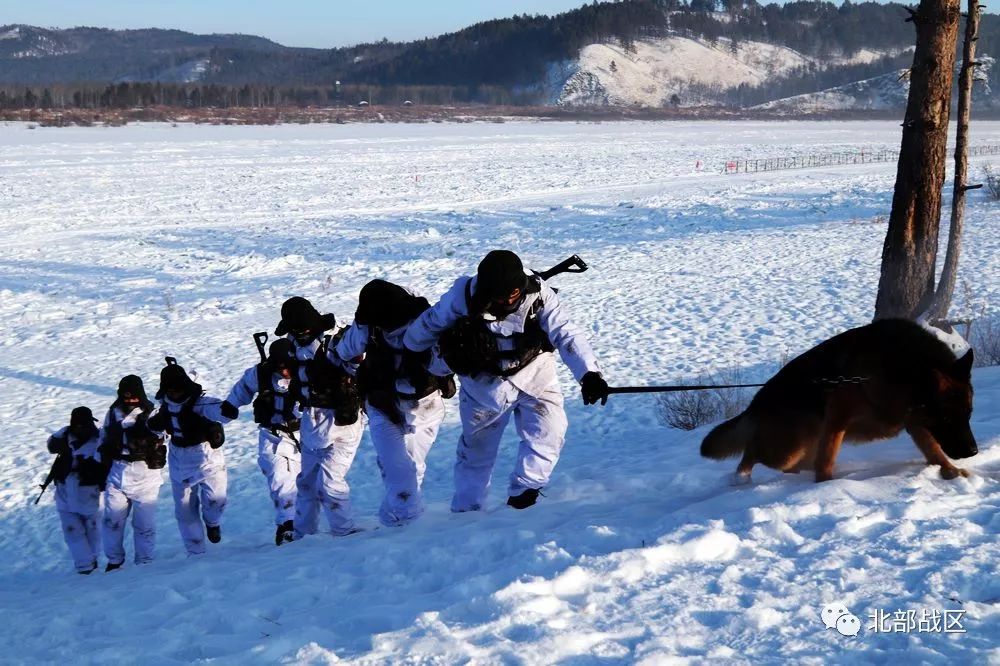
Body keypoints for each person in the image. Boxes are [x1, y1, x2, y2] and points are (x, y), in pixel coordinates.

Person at [403, 250, 609, 511]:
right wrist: (412, 354)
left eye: (514, 292)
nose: (511, 298)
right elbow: (426, 327)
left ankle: (525, 493)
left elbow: (565, 333)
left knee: (550, 431)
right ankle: (467, 510)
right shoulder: (461, 298)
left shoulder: (539, 294)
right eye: (503, 295)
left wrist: (589, 374)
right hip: (483, 387)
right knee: (476, 454)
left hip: (536, 375)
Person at [335, 280, 454, 528]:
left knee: (413, 469)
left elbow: (443, 365)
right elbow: (345, 350)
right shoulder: (368, 327)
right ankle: (411, 529)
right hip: (382, 406)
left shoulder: (426, 321)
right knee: (400, 472)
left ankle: (392, 523)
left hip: (424, 407)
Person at [275, 297, 364, 539]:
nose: (299, 334)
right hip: (311, 422)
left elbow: (359, 369)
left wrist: (354, 364)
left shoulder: (336, 341)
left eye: (303, 329)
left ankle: (345, 533)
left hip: (342, 422)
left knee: (330, 482)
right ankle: (304, 534)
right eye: (294, 330)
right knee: (306, 483)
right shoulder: (292, 345)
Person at [147, 357, 234, 556]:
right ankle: (195, 552)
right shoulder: (165, 407)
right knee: (185, 510)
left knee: (215, 500)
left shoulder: (201, 404)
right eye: (170, 390)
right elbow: (154, 426)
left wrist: (227, 411)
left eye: (177, 389)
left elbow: (220, 410)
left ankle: (213, 522)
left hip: (207, 457)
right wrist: (154, 431)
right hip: (179, 459)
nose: (174, 393)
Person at [220, 338, 303, 545]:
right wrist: (231, 405)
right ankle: (286, 526)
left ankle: (307, 525)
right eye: (280, 368)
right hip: (272, 436)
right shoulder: (260, 374)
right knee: (280, 482)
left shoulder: (306, 371)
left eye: (288, 367)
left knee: (310, 483)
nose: (285, 372)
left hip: (304, 435)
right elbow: (243, 388)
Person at [99, 375, 165, 571]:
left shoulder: (152, 413)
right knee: (112, 522)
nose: (130, 400)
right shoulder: (113, 412)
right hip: (117, 472)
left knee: (144, 525)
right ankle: (114, 561)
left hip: (145, 476)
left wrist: (147, 437)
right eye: (126, 397)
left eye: (134, 397)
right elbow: (103, 437)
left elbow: (164, 435)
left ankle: (144, 562)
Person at [47, 406, 108, 574]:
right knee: (72, 531)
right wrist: (63, 433)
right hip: (65, 491)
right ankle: (84, 566)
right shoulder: (65, 438)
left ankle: (93, 562)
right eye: (77, 425)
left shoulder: (99, 440)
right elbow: (51, 446)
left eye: (84, 425)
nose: (80, 429)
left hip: (90, 493)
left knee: (93, 530)